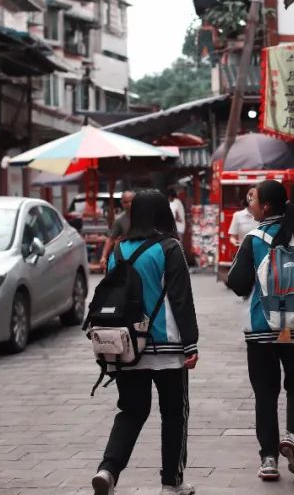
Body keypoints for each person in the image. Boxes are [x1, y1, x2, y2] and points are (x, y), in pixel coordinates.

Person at [92, 190, 199, 495]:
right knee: (174, 414)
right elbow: (181, 300)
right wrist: (191, 343)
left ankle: (108, 470)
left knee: (131, 411)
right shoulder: (170, 248)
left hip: (127, 347)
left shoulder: (119, 251)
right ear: (164, 213)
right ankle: (171, 482)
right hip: (166, 347)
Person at [227, 179, 294, 482]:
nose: (248, 204)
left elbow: (238, 283)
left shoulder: (254, 239)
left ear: (265, 206)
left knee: (266, 394)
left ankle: (268, 459)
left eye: (252, 199)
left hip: (261, 328)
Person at [100, 190, 135, 269]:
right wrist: (104, 257)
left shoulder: (145, 216)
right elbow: (110, 239)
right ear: (122, 203)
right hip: (127, 254)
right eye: (126, 202)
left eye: (131, 201)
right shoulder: (119, 220)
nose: (129, 204)